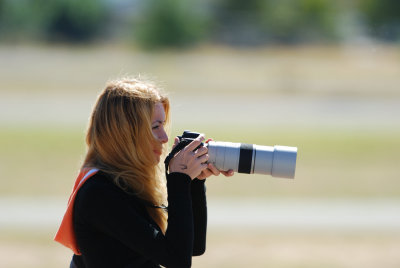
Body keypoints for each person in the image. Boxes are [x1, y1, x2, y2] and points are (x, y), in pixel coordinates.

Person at [54, 77, 233, 268]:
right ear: (125, 133)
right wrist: (179, 179)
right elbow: (177, 260)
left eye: (163, 126)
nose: (164, 138)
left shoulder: (126, 181)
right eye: (155, 127)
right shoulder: (99, 193)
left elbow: (193, 247)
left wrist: (193, 182)